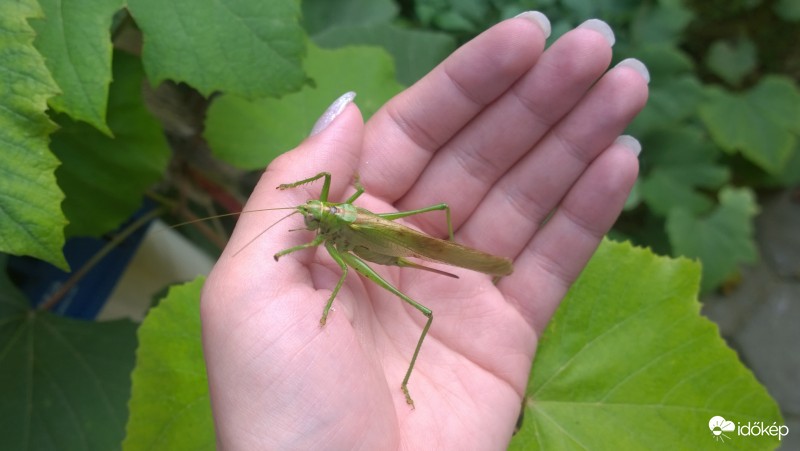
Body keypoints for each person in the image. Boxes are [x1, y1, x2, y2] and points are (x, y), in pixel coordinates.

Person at [201, 12, 649, 450]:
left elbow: (341, 269)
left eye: (316, 211)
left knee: (432, 232)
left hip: (375, 245)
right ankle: (442, 274)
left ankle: (441, 285)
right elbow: (336, 219)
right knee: (415, 261)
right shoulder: (326, 218)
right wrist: (293, 221)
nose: (311, 214)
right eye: (314, 212)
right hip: (364, 242)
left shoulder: (333, 219)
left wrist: (327, 284)